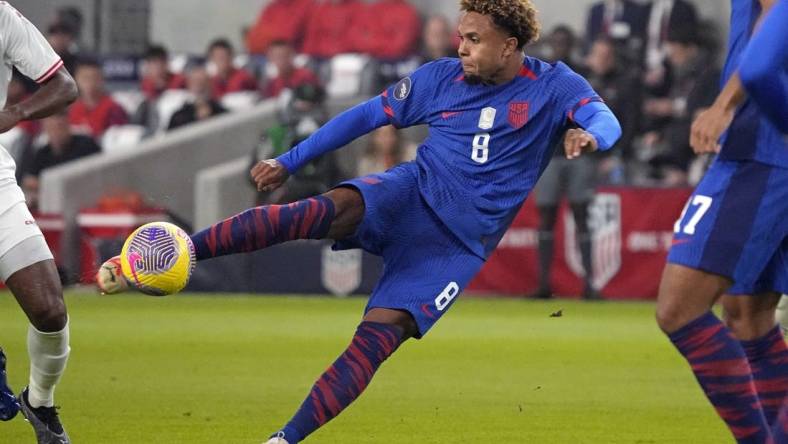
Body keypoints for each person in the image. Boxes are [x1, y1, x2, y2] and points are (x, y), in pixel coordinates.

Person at [101, 1, 621, 442]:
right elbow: (364, 117)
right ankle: (179, 253)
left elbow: (605, 117)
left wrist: (589, 136)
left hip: (454, 246)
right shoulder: (440, 78)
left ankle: (284, 438)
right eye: (460, 36)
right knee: (312, 212)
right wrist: (291, 159)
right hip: (410, 192)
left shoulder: (554, 86)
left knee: (374, 341)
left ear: (509, 46)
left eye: (474, 39)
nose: (460, 47)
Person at [656, 0, 788, 442]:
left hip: (762, 145)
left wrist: (723, 104)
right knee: (747, 314)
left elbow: (772, 33)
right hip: (766, 145)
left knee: (679, 307)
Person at [0, 3, 78, 443]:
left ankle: (40, 401)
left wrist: (14, 114)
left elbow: (63, 87)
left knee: (50, 309)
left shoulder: (3, 18)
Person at [21, 111, 101, 211]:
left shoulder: (86, 145)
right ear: (45, 128)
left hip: (82, 204)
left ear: (68, 123)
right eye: (52, 128)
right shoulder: (42, 153)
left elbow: (94, 177)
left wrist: (46, 185)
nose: (57, 132)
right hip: (50, 207)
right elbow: (29, 181)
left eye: (60, 127)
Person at [68, 58, 128, 139]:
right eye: (85, 78)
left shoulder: (114, 109)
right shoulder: (71, 109)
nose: (89, 83)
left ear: (102, 79)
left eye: (94, 78)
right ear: (76, 79)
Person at [167, 65, 227, 130]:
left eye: (203, 81)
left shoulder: (222, 113)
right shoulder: (179, 118)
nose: (199, 86)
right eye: (195, 82)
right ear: (189, 85)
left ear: (210, 84)